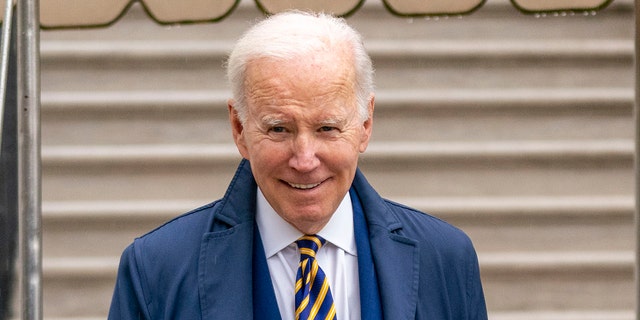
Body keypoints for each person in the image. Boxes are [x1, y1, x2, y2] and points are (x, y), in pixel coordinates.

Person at [108, 11, 487, 320]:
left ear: (365, 125)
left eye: (326, 128)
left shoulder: (447, 258)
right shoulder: (155, 270)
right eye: (278, 128)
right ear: (239, 128)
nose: (304, 160)